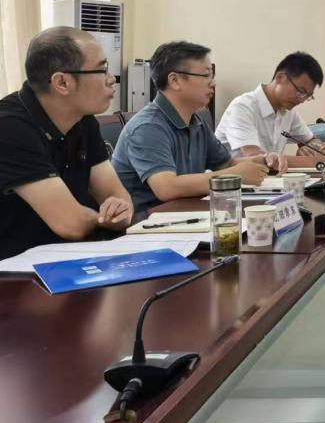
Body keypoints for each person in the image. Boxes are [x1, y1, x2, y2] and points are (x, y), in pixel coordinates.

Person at [0, 27, 133, 260]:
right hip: (15, 269)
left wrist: (119, 211)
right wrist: (104, 218)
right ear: (62, 82)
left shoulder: (83, 119)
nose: (111, 79)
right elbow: (71, 224)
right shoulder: (9, 127)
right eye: (101, 69)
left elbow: (118, 198)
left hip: (67, 257)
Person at [112, 41, 279, 214]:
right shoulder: (147, 127)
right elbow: (167, 187)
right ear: (175, 81)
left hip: (183, 216)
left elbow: (226, 164)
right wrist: (235, 176)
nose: (212, 83)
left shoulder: (196, 122)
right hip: (146, 223)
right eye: (206, 75)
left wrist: (263, 161)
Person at [215, 52, 325, 167]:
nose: (301, 100)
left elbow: (311, 139)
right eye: (301, 91)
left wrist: (313, 148)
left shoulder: (288, 111)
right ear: (280, 78)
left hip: (269, 179)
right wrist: (315, 161)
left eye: (307, 96)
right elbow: (256, 159)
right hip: (234, 181)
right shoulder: (242, 107)